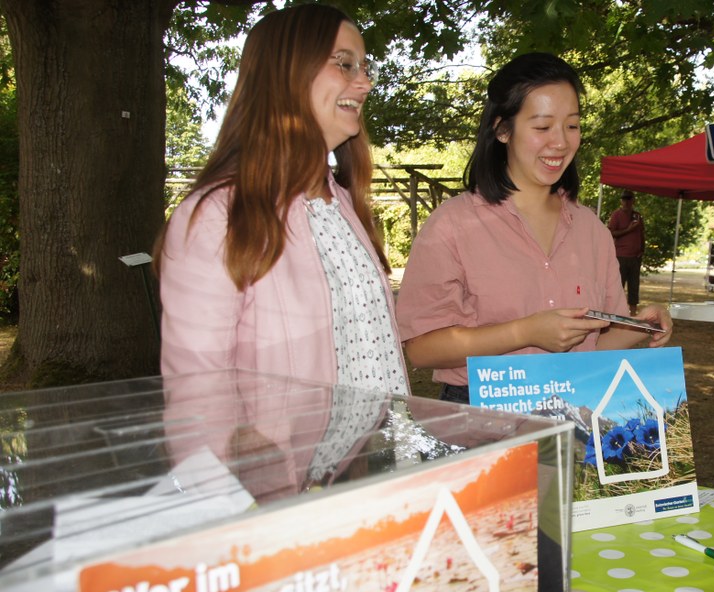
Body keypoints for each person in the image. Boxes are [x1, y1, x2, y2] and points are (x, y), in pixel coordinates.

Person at [157, 4, 408, 395]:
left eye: (365, 68)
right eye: (345, 64)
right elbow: (196, 395)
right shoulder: (218, 218)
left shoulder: (340, 204)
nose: (365, 83)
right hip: (286, 459)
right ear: (286, 74)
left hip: (377, 454)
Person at [396, 52, 672, 404]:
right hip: (481, 418)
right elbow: (422, 349)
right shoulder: (452, 225)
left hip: (574, 410)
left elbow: (595, 345)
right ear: (502, 129)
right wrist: (525, 332)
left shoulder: (591, 229)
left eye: (572, 125)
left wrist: (640, 327)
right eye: (542, 127)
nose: (560, 142)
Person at [608, 189, 645, 315]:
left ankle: (633, 313)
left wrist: (642, 250)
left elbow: (642, 234)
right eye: (624, 199)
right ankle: (616, 312)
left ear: (633, 200)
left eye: (629, 199)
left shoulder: (637, 216)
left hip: (635, 257)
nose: (626, 202)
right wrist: (628, 229)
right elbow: (611, 233)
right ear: (621, 201)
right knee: (619, 285)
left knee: (634, 286)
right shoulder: (616, 215)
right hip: (621, 256)